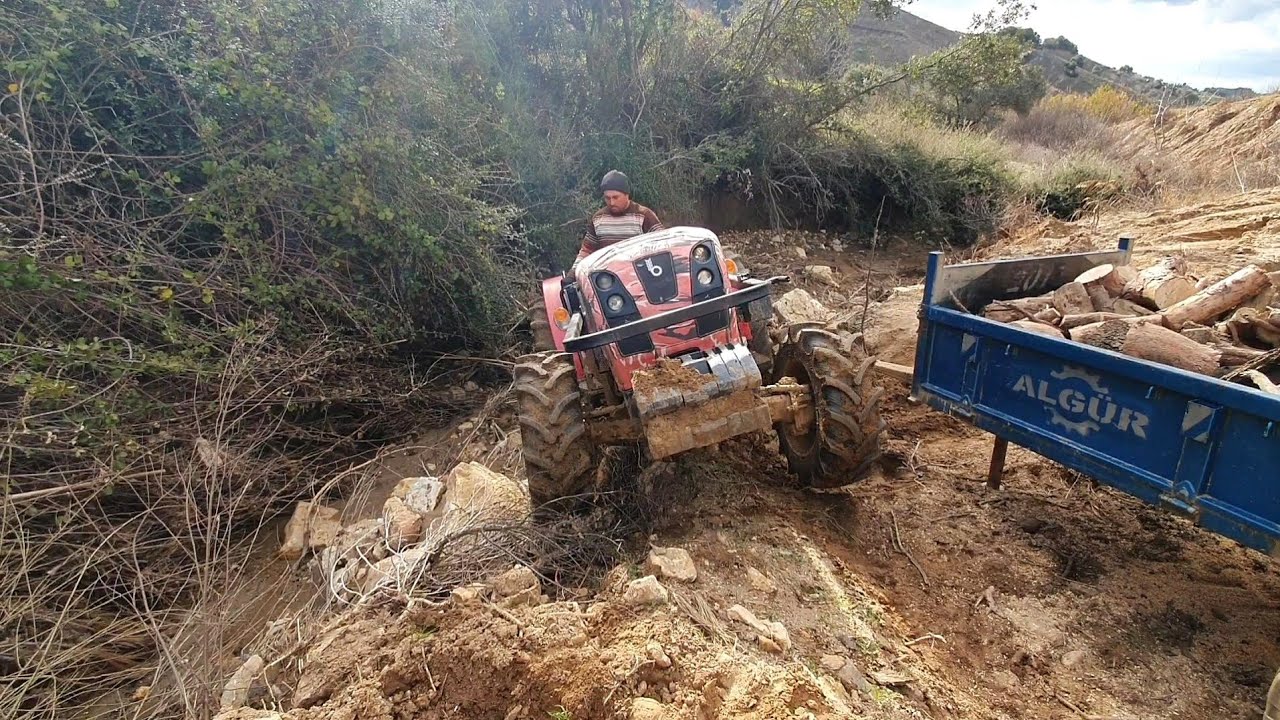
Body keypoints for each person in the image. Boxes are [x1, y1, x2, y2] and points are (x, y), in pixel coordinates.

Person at [574, 170, 664, 266]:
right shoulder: (598, 219)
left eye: (616, 197)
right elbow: (587, 250)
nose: (612, 203)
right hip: (609, 277)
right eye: (607, 198)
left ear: (626, 195)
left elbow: (663, 243)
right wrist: (573, 273)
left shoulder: (643, 215)